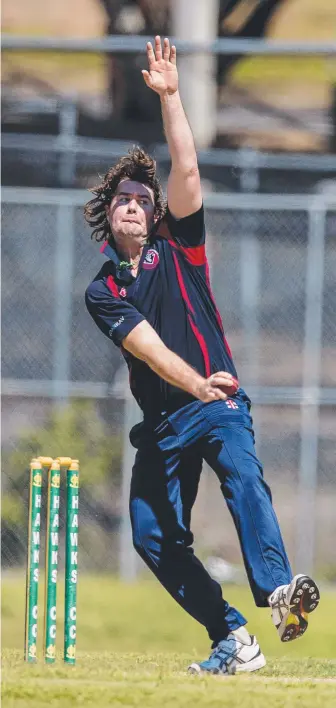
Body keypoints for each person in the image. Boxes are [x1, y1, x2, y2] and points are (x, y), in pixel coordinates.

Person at [84, 36, 320, 675]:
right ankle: (234, 639)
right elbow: (151, 350)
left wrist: (171, 97)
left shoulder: (178, 243)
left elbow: (186, 169)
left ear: (155, 212)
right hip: (170, 417)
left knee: (245, 477)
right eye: (122, 199)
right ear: (108, 216)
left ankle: (275, 591)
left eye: (142, 198)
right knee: (152, 535)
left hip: (219, 401)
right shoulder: (104, 290)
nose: (134, 204)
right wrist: (194, 385)